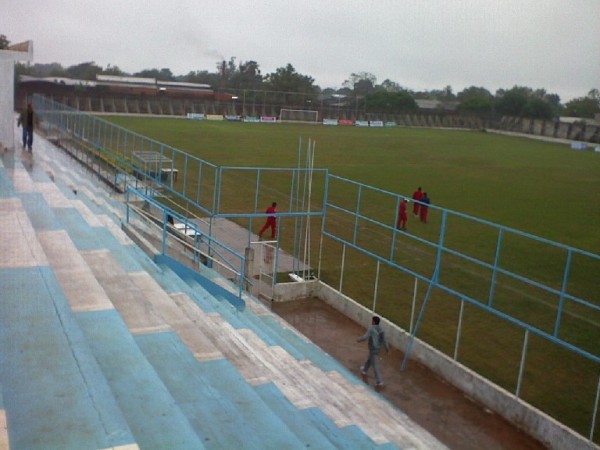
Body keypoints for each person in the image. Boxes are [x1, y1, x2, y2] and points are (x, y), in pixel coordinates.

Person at [357, 316, 390, 387]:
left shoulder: (371, 329)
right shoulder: (381, 330)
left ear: (374, 321)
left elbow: (365, 337)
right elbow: (384, 340)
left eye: (372, 320)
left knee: (374, 365)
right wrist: (387, 349)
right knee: (370, 359)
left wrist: (358, 339)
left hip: (373, 348)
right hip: (378, 349)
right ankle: (365, 370)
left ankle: (379, 381)